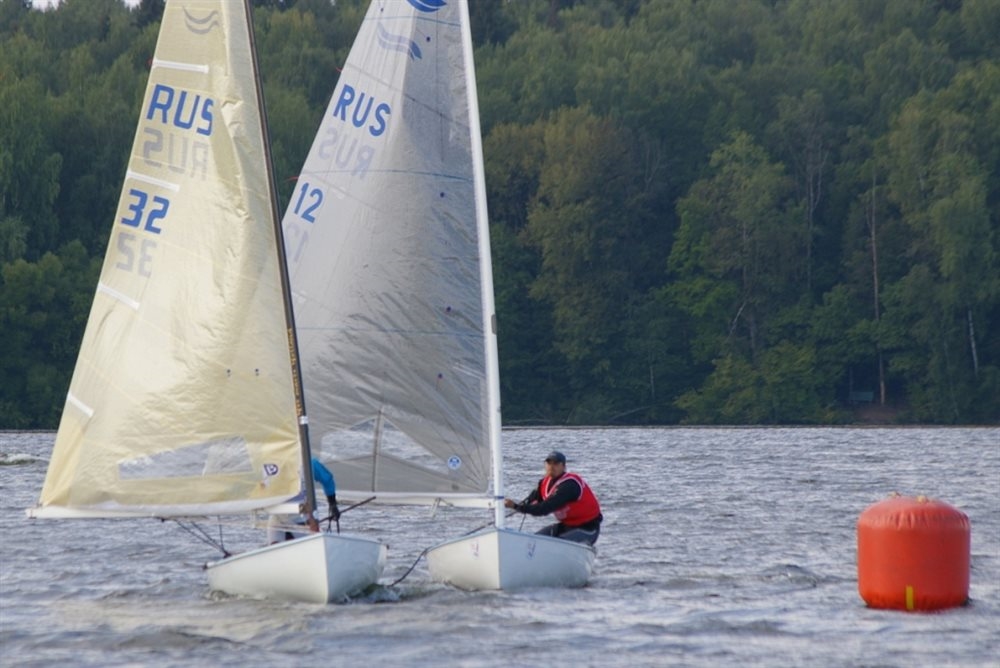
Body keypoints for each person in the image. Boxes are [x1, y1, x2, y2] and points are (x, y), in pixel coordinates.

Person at [504, 451, 602, 545]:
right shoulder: (543, 483)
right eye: (549, 463)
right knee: (533, 540)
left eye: (556, 463)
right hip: (566, 526)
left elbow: (544, 509)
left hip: (588, 528)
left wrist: (515, 506)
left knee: (559, 543)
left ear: (563, 467)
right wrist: (508, 506)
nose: (551, 466)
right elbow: (529, 502)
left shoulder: (569, 485)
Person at [267, 457, 341, 544]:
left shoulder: (309, 463)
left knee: (308, 546)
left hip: (302, 518)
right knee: (275, 547)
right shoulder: (272, 463)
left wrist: (332, 504)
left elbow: (327, 480)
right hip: (277, 517)